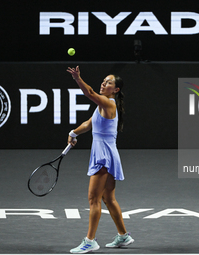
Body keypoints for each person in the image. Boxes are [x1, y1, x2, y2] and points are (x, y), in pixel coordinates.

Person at [66, 66, 134, 253]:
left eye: (109, 82)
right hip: (109, 153)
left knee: (93, 199)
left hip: (103, 155)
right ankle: (123, 235)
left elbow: (89, 92)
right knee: (108, 198)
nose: (104, 83)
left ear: (116, 90)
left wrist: (78, 78)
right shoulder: (103, 106)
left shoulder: (108, 103)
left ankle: (90, 240)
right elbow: (90, 123)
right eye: (104, 81)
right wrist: (73, 132)